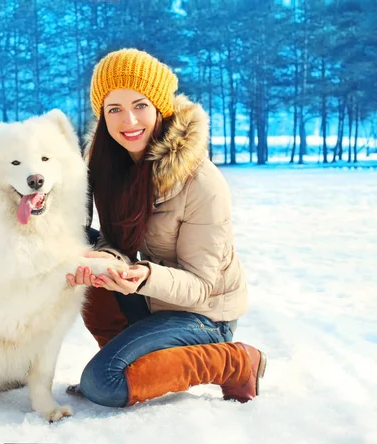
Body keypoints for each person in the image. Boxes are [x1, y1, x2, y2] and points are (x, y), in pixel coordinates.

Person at [65, 48, 266, 408]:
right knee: (81, 243)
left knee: (103, 383)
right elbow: (112, 239)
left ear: (160, 107)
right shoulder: (108, 163)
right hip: (152, 300)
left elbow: (203, 288)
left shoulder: (201, 182)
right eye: (114, 109)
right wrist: (108, 261)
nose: (128, 120)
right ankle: (132, 358)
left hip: (203, 315)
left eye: (140, 105)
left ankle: (235, 361)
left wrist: (141, 276)